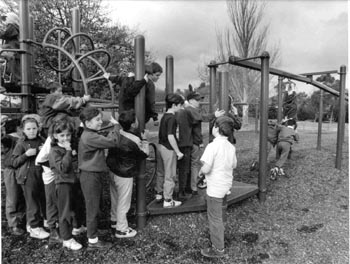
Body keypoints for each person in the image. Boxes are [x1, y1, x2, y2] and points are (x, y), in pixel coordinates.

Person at [78, 107, 120, 249]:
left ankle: (93, 232)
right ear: (88, 123)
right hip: (91, 175)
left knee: (95, 205)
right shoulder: (90, 136)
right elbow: (113, 142)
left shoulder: (89, 133)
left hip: (92, 174)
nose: (100, 122)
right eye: (97, 120)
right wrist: (116, 126)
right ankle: (93, 241)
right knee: (93, 208)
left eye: (100, 119)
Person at [198, 116, 237, 258]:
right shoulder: (230, 146)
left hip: (215, 188)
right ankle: (220, 233)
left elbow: (207, 169)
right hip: (226, 185)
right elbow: (234, 165)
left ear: (217, 129)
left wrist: (201, 171)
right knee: (219, 213)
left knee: (214, 218)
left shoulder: (212, 146)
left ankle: (218, 248)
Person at [106, 110, 149, 238]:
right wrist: (145, 139)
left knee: (115, 197)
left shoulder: (117, 132)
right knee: (124, 202)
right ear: (133, 125)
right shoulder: (134, 139)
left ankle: (114, 221)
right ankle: (122, 229)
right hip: (124, 174)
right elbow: (144, 154)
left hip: (113, 169)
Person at [12, 116, 48, 239]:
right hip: (27, 177)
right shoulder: (21, 144)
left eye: (34, 128)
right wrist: (26, 155)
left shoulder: (42, 140)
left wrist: (45, 151)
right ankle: (34, 228)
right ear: (23, 130)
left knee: (41, 199)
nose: (32, 131)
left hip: (40, 175)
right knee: (32, 202)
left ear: (38, 128)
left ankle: (38, 222)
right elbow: (14, 162)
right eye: (28, 129)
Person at [48, 119, 82, 250]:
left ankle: (74, 229)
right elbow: (63, 168)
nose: (65, 138)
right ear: (55, 136)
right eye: (62, 135)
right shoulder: (55, 151)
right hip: (63, 184)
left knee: (74, 207)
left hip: (72, 182)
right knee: (65, 212)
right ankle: (66, 239)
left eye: (68, 135)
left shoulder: (68, 147)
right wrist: (68, 152)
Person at [184, 91, 225, 194]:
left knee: (196, 163)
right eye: (197, 100)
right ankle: (193, 187)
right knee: (196, 164)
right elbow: (201, 118)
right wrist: (214, 115)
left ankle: (193, 184)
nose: (199, 102)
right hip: (193, 142)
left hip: (194, 141)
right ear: (191, 101)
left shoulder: (191, 109)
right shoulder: (190, 109)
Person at [155, 93, 184, 208]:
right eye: (179, 105)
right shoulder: (172, 118)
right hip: (168, 149)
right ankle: (168, 200)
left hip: (160, 146)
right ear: (174, 105)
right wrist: (178, 152)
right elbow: (170, 136)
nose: (181, 107)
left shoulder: (164, 116)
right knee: (170, 175)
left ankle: (159, 193)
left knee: (160, 172)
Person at [1, 123, 26, 236]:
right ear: (17, 128)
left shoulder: (22, 138)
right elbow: (3, 139)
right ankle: (13, 224)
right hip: (11, 170)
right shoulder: (9, 138)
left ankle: (20, 220)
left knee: (20, 195)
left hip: (21, 169)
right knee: (12, 197)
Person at [0, 12, 20, 83]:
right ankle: (16, 81)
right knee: (14, 68)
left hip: (12, 49)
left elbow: (6, 34)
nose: (5, 21)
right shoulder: (15, 27)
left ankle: (17, 81)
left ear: (11, 18)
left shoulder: (12, 26)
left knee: (15, 68)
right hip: (14, 50)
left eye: (6, 18)